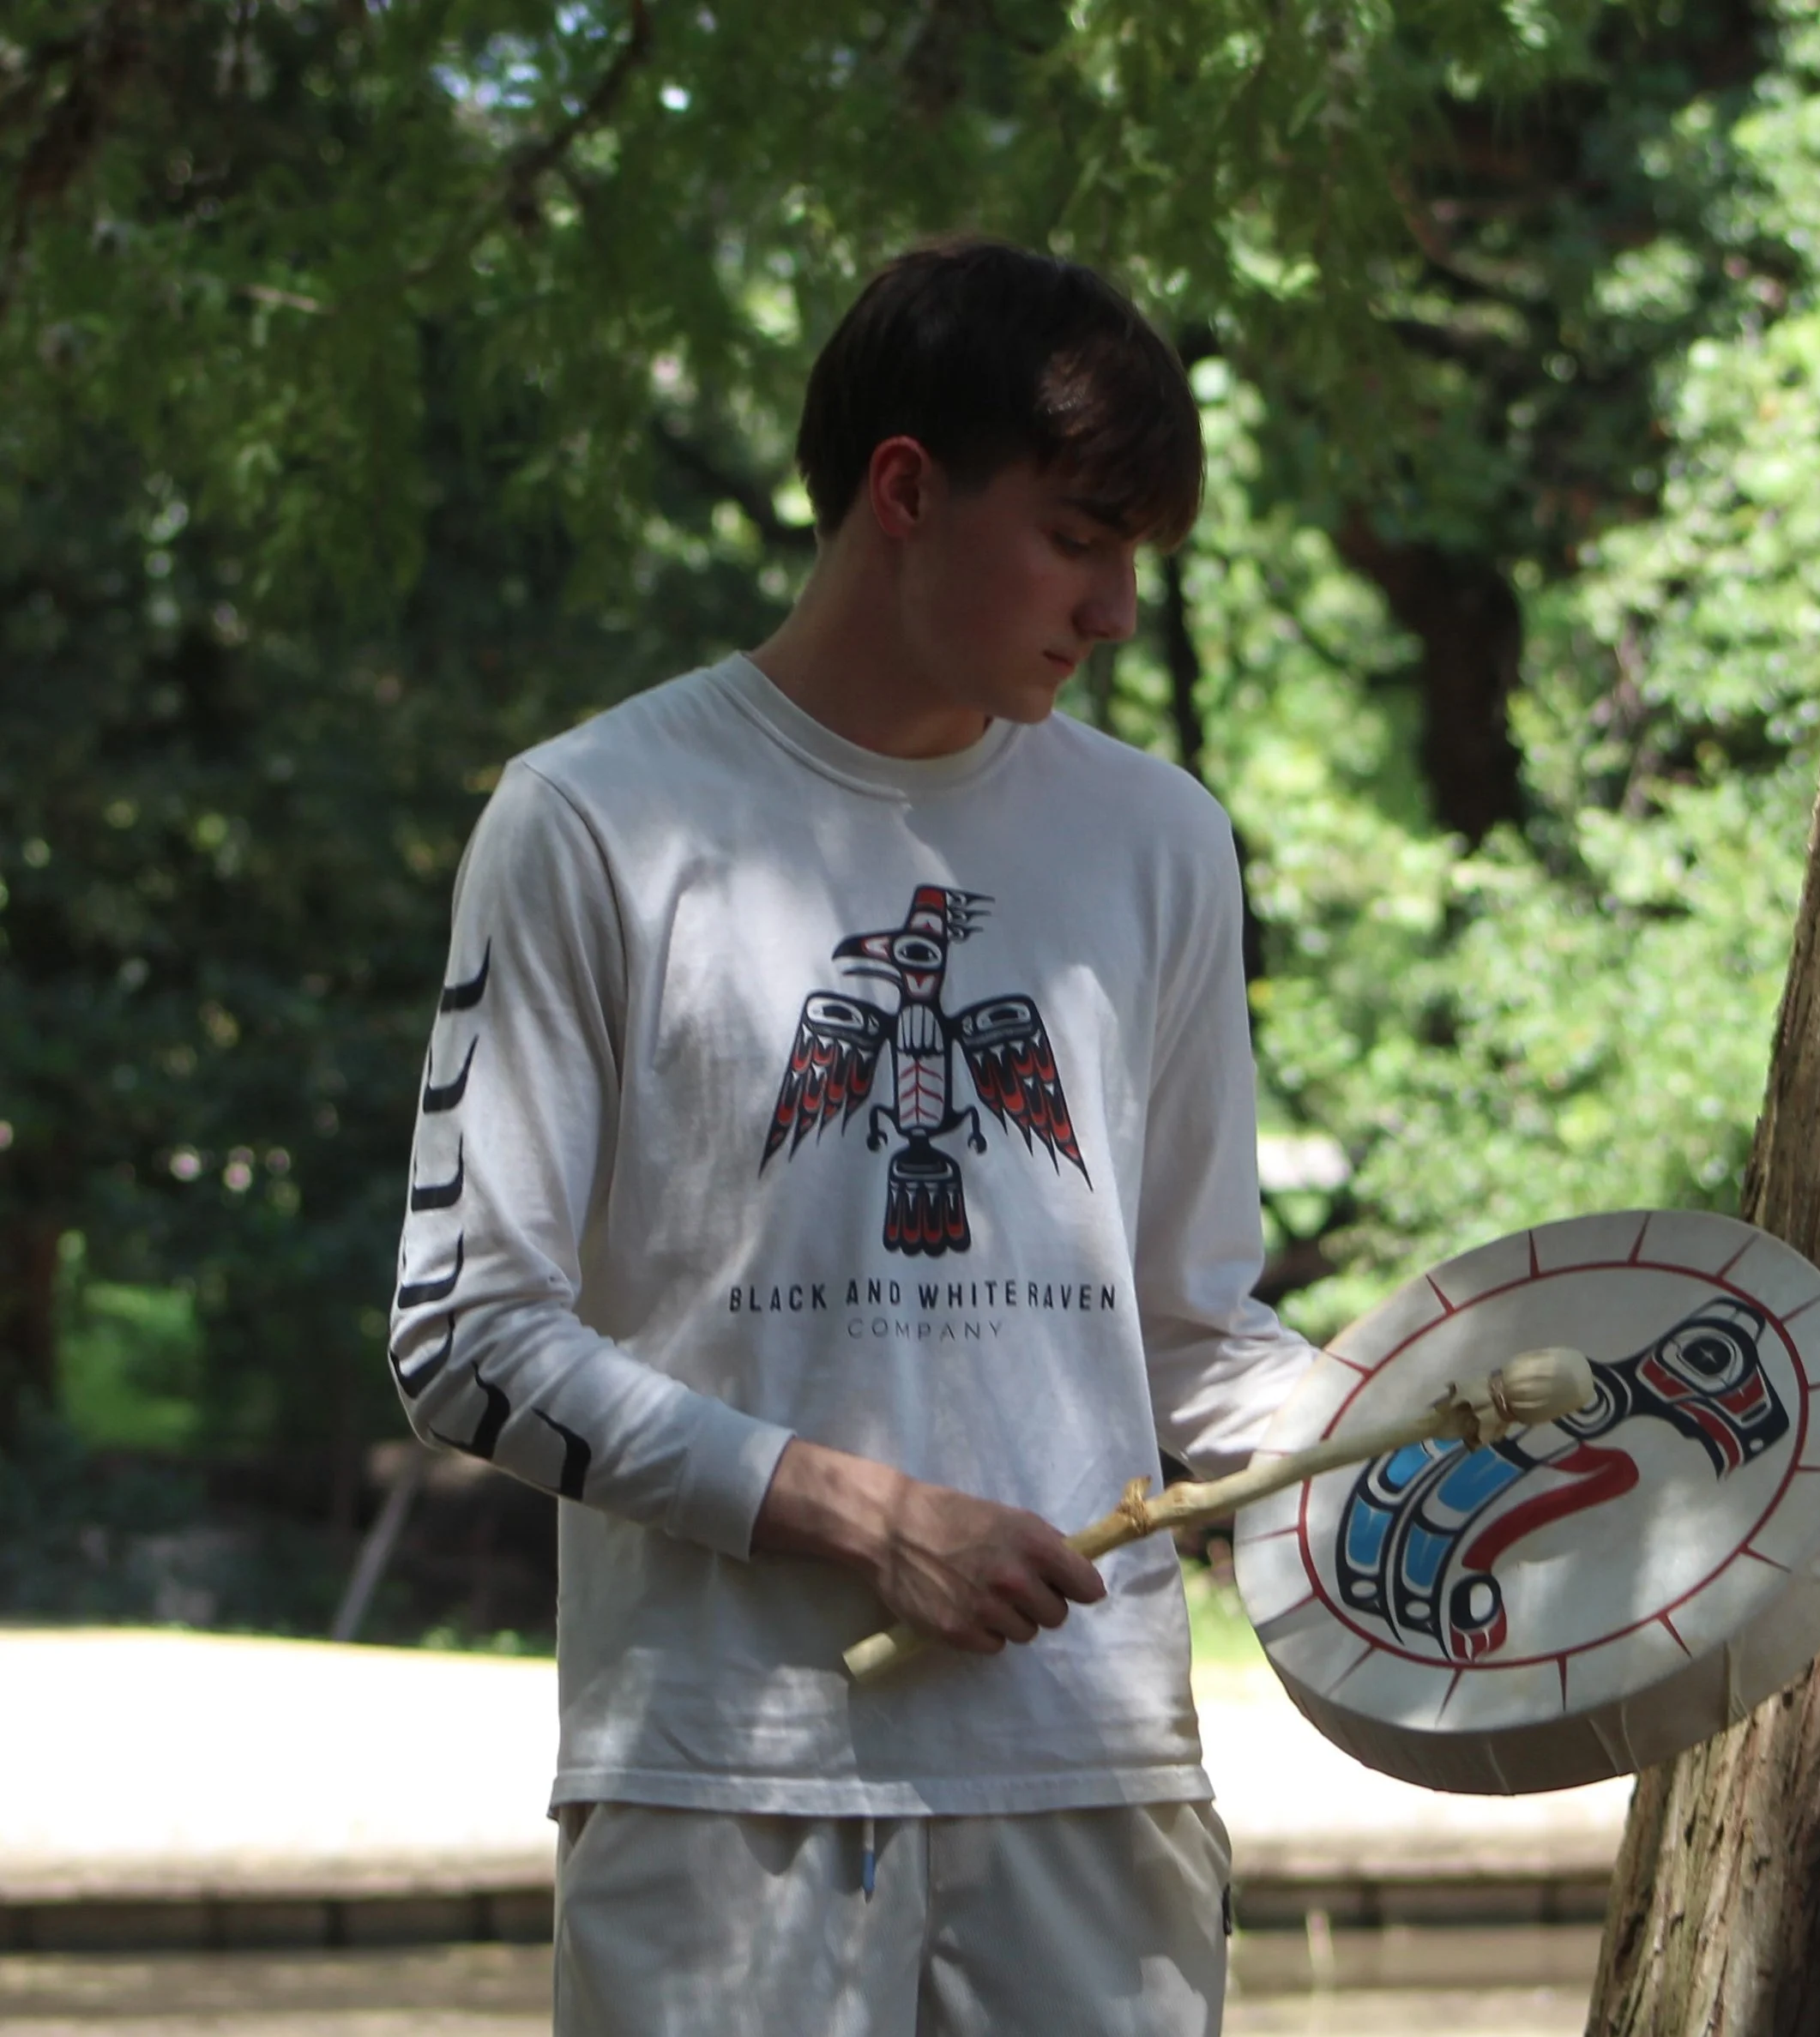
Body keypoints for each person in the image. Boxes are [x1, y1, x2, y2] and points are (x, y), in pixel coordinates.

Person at [388, 238, 1317, 2037]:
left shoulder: (1157, 840)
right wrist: (867, 1515)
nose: (1115, 607)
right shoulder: (591, 821)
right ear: (904, 487)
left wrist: (1417, 1419)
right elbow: (465, 1339)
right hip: (724, 1780)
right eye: (1077, 536)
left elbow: (1193, 1337)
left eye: (1136, 555)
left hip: (1091, 1780)